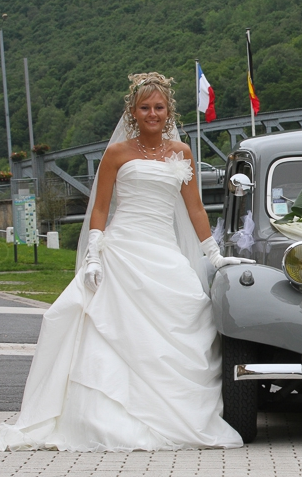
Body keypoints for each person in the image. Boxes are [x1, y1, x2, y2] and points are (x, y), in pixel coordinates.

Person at [0, 72, 250, 451]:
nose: (153, 113)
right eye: (145, 107)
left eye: (159, 107)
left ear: (169, 112)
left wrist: (213, 255)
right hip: (122, 249)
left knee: (189, 312)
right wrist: (94, 253)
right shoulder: (117, 154)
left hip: (163, 250)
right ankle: (103, 418)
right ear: (133, 112)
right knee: (107, 328)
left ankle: (173, 414)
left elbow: (195, 208)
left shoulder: (182, 153)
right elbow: (100, 207)